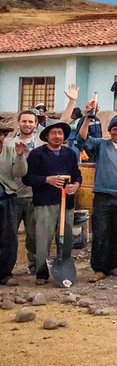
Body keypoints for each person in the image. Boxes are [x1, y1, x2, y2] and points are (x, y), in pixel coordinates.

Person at [77, 112, 117, 283]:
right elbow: (82, 140)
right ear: (110, 131)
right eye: (115, 129)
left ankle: (113, 265)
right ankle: (99, 268)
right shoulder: (101, 145)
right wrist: (87, 119)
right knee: (100, 232)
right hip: (103, 196)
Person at [22, 121, 81, 285]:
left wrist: (75, 185)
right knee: (43, 239)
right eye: (54, 133)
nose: (57, 136)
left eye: (60, 133)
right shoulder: (37, 154)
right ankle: (41, 272)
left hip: (66, 203)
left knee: (66, 237)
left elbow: (77, 175)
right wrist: (47, 180)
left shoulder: (70, 154)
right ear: (47, 136)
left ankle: (64, 268)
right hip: (45, 203)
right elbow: (28, 178)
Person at [8, 110, 43, 275]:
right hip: (12, 195)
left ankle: (34, 263)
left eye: (31, 122)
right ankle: (7, 267)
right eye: (24, 121)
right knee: (8, 234)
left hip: (34, 196)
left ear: (36, 124)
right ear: (18, 122)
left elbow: (61, 124)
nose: (27, 124)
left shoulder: (40, 144)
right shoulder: (8, 144)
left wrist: (72, 102)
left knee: (33, 235)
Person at [0, 121, 27, 286]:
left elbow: (19, 172)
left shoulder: (10, 151)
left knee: (8, 237)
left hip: (7, 197)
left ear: (4, 136)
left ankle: (5, 273)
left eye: (1, 134)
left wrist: (19, 156)